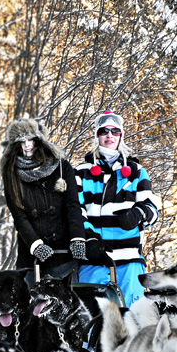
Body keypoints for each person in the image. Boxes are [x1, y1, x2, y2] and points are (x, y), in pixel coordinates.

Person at [74, 110, 159, 306]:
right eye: (104, 131)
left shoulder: (136, 172)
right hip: (94, 258)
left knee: (133, 320)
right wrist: (90, 239)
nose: (109, 136)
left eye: (115, 131)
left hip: (128, 260)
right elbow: (76, 210)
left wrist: (138, 214)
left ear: (121, 136)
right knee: (92, 321)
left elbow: (152, 208)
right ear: (97, 136)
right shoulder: (81, 172)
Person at [0, 118, 87, 287]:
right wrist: (35, 245)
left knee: (64, 306)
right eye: (21, 142)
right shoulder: (11, 174)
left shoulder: (61, 167)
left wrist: (77, 238)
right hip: (30, 255)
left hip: (63, 252)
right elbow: (19, 216)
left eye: (30, 140)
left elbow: (73, 206)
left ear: (38, 141)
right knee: (30, 307)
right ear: (15, 146)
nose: (26, 145)